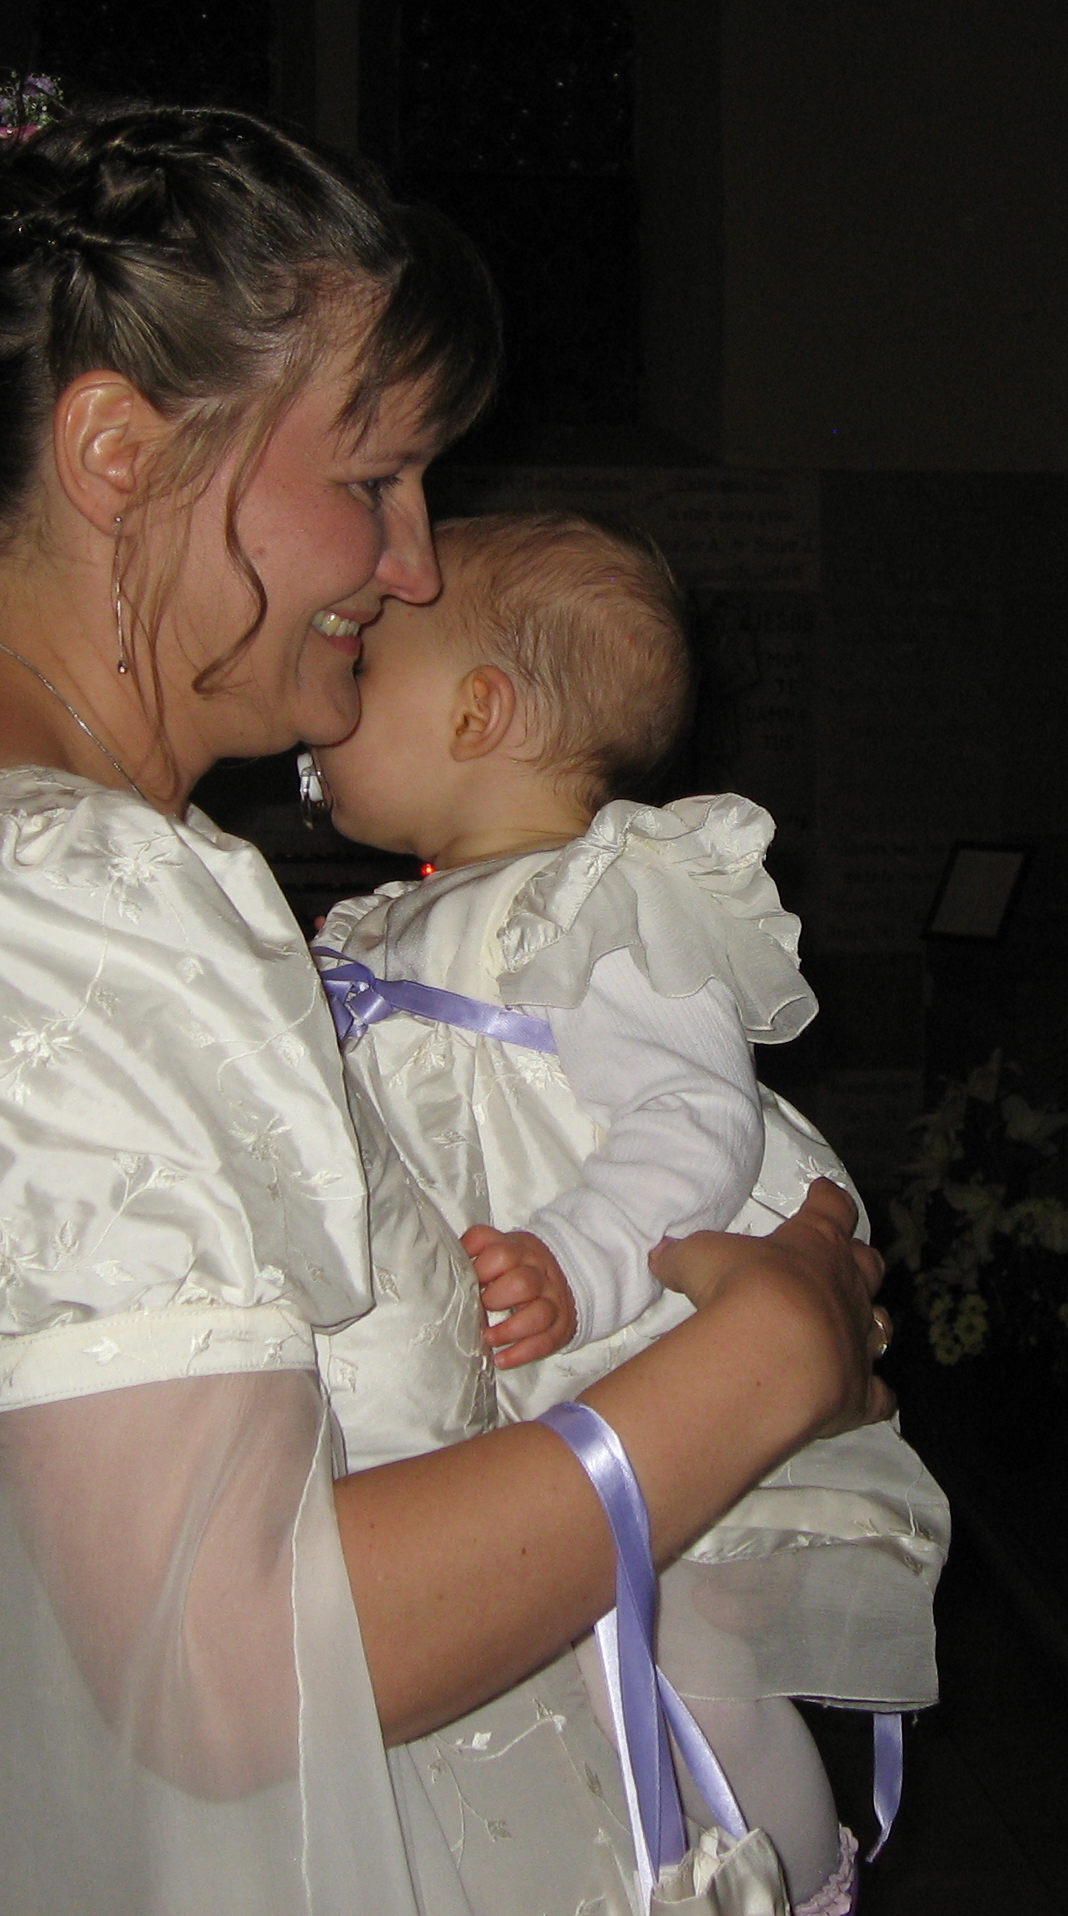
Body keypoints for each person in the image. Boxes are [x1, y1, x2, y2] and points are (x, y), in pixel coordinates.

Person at [0, 70, 892, 1916]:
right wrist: (766, 1361)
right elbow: (223, 1671)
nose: (414, 564)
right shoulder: (38, 898)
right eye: (370, 482)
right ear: (118, 456)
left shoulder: (29, 843)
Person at [307, 509, 947, 1913]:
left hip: (621, 1325)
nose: (332, 688)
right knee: (544, 1663)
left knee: (693, 1656)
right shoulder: (379, 924)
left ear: (477, 712)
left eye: (367, 663)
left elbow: (700, 1121)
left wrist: (578, 1261)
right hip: (479, 1353)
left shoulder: (602, 903)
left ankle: (800, 1877)